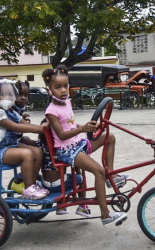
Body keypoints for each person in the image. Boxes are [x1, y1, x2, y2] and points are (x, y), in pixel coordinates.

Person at [43, 64, 130, 226]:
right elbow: (61, 135)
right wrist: (82, 129)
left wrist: (87, 126)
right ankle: (105, 215)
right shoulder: (51, 110)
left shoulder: (66, 102)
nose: (63, 90)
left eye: (65, 86)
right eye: (57, 87)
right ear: (49, 89)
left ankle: (111, 178)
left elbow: (71, 126)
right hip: (66, 151)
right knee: (98, 171)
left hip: (78, 143)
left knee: (109, 137)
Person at [0, 76, 49, 200]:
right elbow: (16, 127)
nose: (8, 98)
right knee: (27, 154)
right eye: (3, 94)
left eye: (10, 95)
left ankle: (30, 183)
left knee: (38, 152)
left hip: (11, 146)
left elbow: (25, 125)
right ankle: (29, 188)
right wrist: (39, 128)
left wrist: (40, 127)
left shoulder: (12, 112)